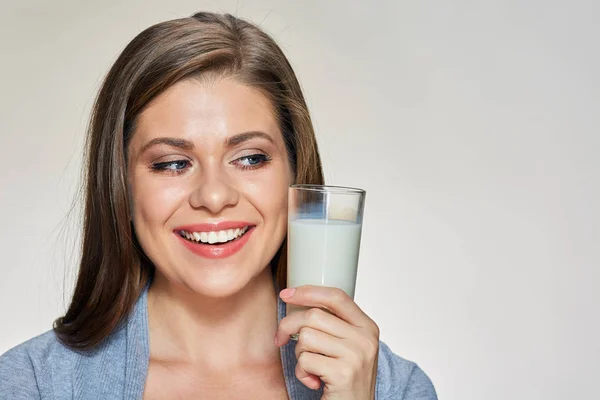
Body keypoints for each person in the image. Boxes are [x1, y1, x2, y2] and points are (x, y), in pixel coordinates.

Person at [0, 12, 437, 399]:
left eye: (250, 158)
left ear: (293, 172)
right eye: (172, 163)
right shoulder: (32, 384)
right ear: (121, 185)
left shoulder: (394, 390)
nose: (213, 196)